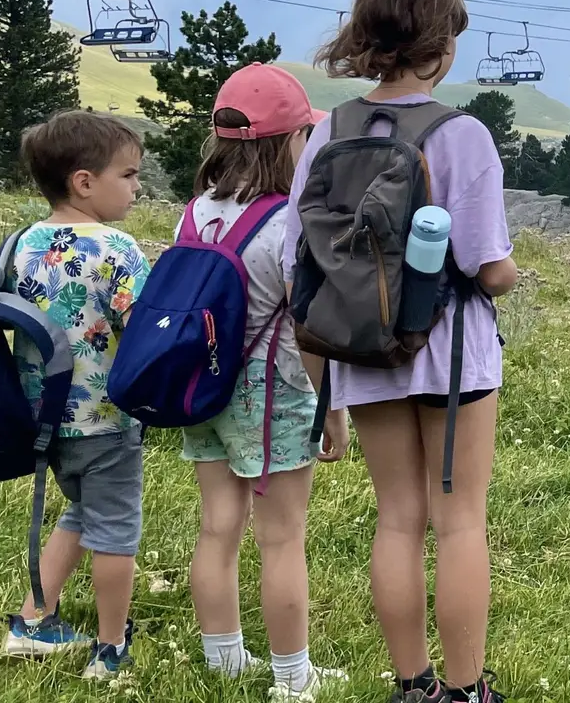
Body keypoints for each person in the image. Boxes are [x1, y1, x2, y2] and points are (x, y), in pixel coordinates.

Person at [283, 0, 518, 703]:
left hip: (363, 348)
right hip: (451, 354)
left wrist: (322, 391)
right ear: (440, 45)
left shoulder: (327, 132)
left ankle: (412, 684)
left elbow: (301, 258)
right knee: (459, 521)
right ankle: (467, 689)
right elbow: (488, 266)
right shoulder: (462, 134)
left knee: (397, 519)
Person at [180, 62, 350, 699]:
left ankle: (223, 659)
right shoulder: (288, 225)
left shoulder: (195, 213)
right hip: (271, 394)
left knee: (217, 527)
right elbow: (307, 330)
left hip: (203, 388)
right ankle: (291, 678)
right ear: (289, 142)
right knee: (282, 538)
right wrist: (330, 410)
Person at [2, 111, 149, 680]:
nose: (137, 188)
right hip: (106, 418)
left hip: (43, 418)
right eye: (129, 175)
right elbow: (145, 331)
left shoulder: (20, 244)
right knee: (116, 529)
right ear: (84, 181)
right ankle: (110, 650)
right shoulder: (117, 249)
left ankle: (33, 622)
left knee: (83, 511)